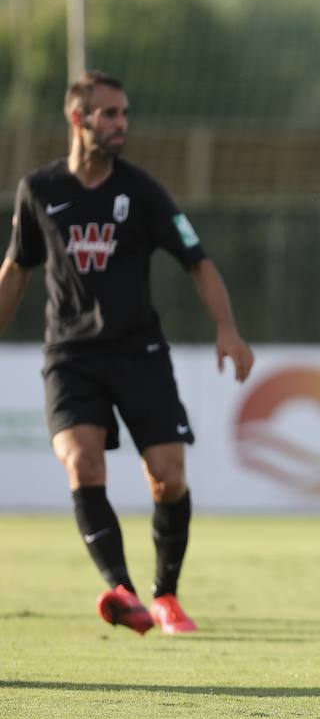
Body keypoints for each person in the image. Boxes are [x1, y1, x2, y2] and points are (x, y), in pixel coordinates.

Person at [0, 70, 254, 635]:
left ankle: (166, 595)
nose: (120, 125)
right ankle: (122, 590)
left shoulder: (141, 191)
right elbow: (17, 268)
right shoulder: (39, 190)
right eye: (109, 114)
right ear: (77, 118)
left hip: (139, 351)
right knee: (81, 462)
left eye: (124, 115)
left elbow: (199, 260)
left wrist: (227, 329)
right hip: (69, 355)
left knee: (168, 476)